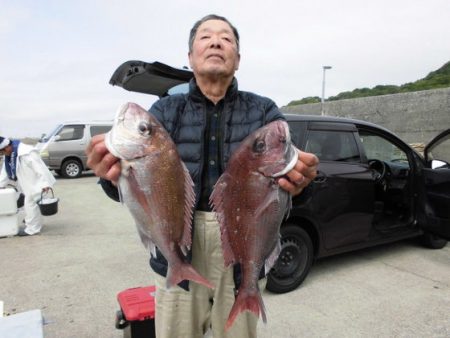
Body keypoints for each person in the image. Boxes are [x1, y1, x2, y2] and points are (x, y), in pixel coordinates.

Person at [86, 14, 319, 338]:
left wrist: (301, 181)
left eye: (226, 38)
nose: (216, 41)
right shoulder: (165, 111)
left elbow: (286, 186)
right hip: (179, 238)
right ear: (190, 57)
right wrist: (110, 177)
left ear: (237, 59)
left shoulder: (264, 111)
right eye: (205, 36)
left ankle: (246, 290)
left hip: (241, 238)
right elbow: (136, 190)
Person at [0, 136, 55, 236]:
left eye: (2, 152)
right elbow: (5, 172)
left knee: (31, 204)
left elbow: (39, 168)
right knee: (31, 204)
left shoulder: (25, 151)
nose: (3, 154)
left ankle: (32, 229)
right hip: (28, 183)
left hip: (37, 182)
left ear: (6, 147)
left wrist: (45, 184)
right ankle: (33, 224)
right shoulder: (10, 155)